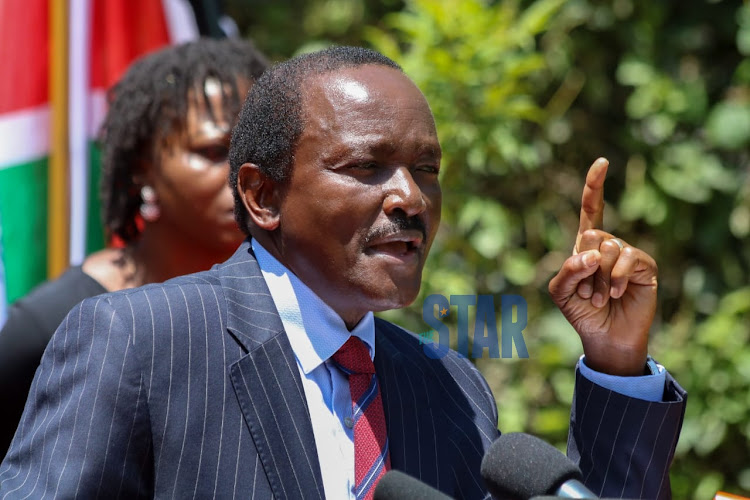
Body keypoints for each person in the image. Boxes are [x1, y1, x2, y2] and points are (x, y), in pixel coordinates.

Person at [0, 46, 686, 499]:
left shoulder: (449, 389)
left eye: (426, 171)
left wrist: (617, 364)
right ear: (262, 195)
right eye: (366, 167)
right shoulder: (140, 342)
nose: (410, 198)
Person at [0, 38, 269, 455]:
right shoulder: (50, 327)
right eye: (214, 151)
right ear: (144, 167)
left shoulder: (290, 300)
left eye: (257, 153)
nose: (244, 174)